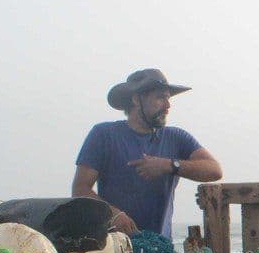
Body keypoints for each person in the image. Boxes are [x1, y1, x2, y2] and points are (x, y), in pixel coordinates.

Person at [72, 68, 222, 237]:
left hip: (161, 250)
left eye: (168, 98)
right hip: (113, 248)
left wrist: (169, 165)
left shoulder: (176, 137)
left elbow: (214, 170)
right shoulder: (103, 134)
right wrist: (114, 214)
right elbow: (80, 189)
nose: (168, 105)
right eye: (160, 98)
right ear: (136, 99)